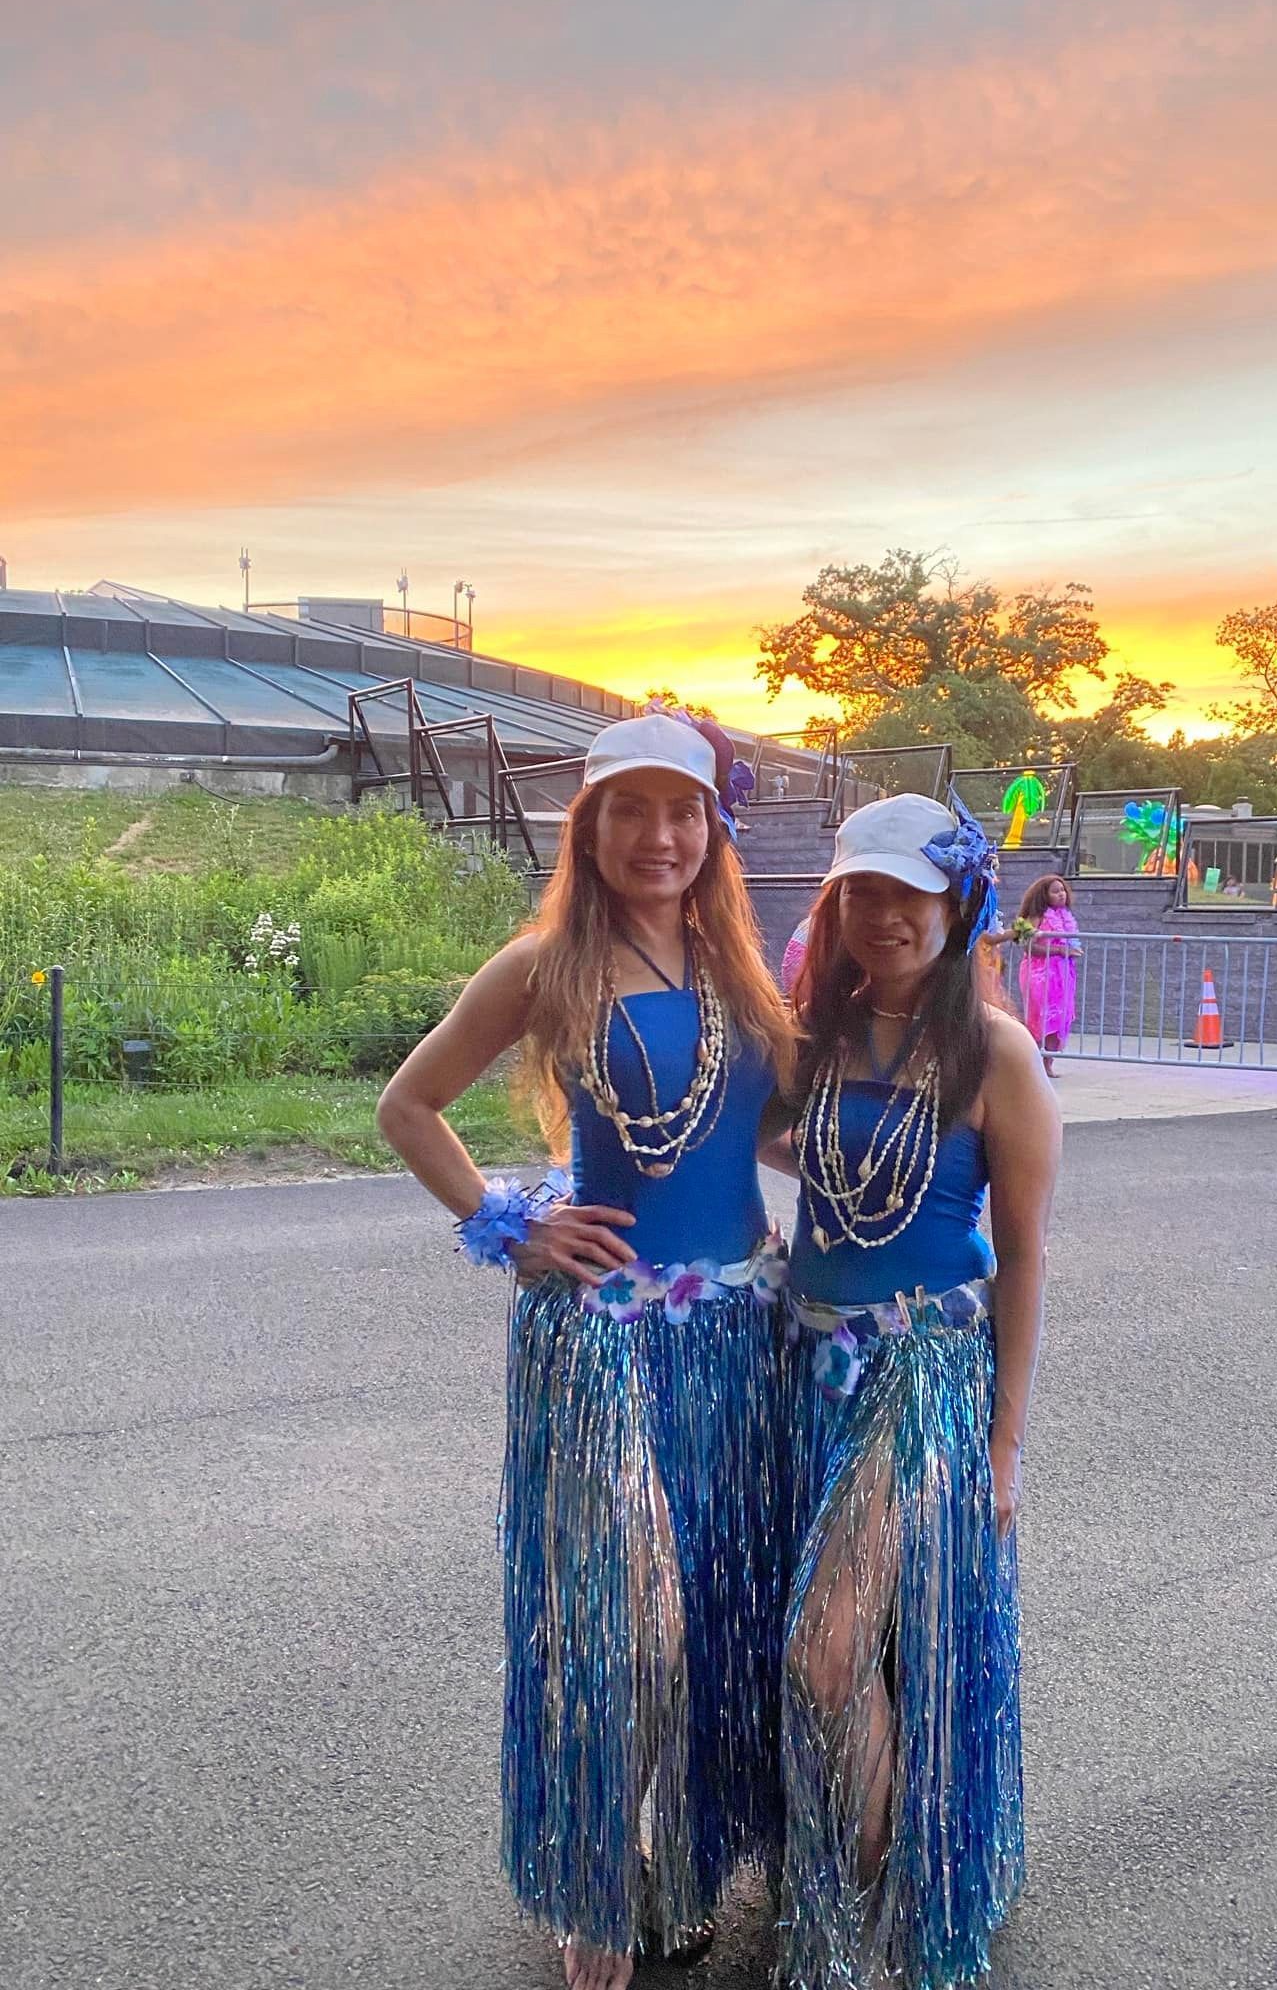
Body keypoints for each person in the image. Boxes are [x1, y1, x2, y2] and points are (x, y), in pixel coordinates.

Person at [377, 711, 794, 1990]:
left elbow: (761, 1140)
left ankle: (682, 1852)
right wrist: (513, 1227)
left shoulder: (736, 966)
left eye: (684, 812)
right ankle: (595, 1874)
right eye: (632, 811)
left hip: (737, 1331)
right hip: (603, 1338)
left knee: (722, 1615)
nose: (658, 836)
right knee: (629, 1623)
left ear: (711, 829)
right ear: (593, 825)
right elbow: (410, 1104)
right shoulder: (545, 962)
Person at [776, 792, 1061, 1990]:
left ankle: (886, 1877)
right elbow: (784, 1147)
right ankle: (870, 1859)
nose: (884, 915)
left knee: (826, 1653)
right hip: (805, 1369)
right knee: (866, 1646)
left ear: (961, 901)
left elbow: (1028, 1251)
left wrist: (1001, 1446)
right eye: (861, 892)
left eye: (909, 892)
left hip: (923, 1379)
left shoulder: (995, 1049)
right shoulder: (817, 1034)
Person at [1011, 872, 1081, 1077]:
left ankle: (1048, 1063)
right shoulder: (1036, 917)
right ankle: (1033, 1063)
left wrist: (1071, 952)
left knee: (1061, 1016)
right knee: (1040, 1017)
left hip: (1062, 973)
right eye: (1055, 891)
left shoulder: (1065, 917)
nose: (1061, 895)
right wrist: (1059, 951)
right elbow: (1028, 946)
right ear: (1044, 895)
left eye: (1063, 891)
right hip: (1038, 973)